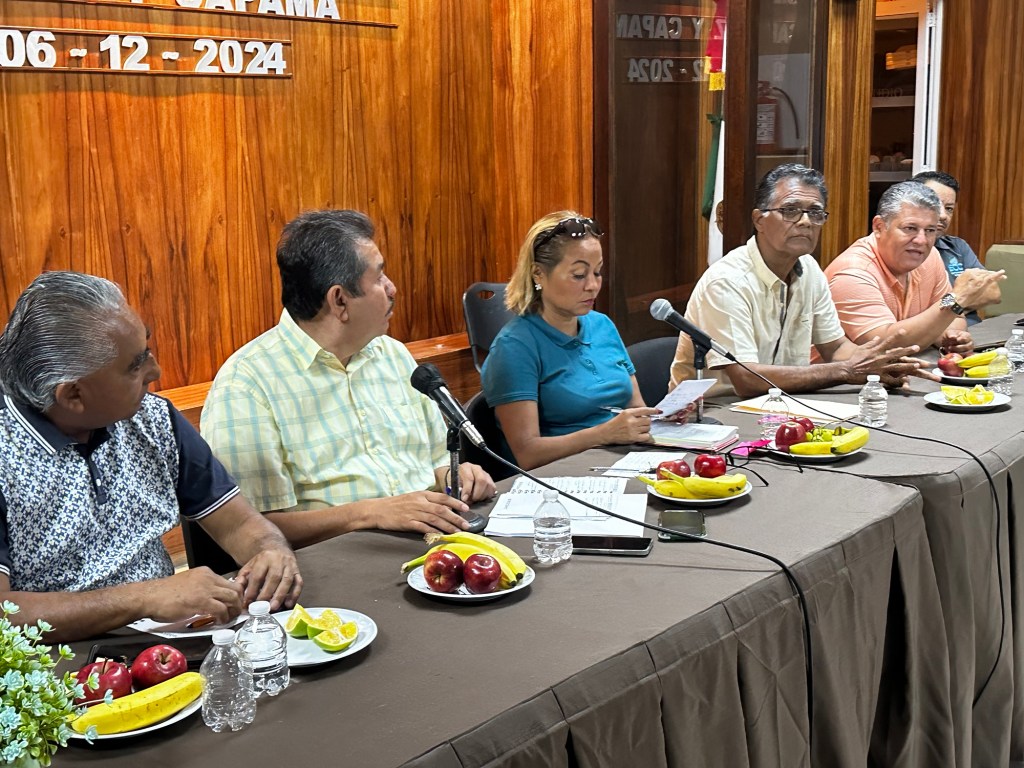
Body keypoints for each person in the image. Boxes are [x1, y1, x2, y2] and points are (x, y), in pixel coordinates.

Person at [0, 272, 301, 642]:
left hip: (169, 641)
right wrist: (144, 598)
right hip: (57, 662)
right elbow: (4, 614)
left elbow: (237, 524)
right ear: (73, 395)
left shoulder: (152, 418)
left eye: (148, 348)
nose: (155, 372)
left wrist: (270, 550)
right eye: (135, 365)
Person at [201, 210, 496, 548]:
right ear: (339, 300)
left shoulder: (392, 355)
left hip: (432, 541)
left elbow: (435, 465)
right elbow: (252, 530)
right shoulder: (246, 385)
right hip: (336, 560)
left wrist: (457, 478)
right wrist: (369, 513)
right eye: (379, 277)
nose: (392, 288)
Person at [669, 164, 926, 398]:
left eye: (815, 213)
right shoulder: (728, 281)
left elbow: (835, 348)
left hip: (780, 402)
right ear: (759, 220)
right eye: (790, 210)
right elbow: (747, 379)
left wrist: (879, 366)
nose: (805, 222)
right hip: (715, 413)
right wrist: (846, 371)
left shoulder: (809, 269)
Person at [481, 211, 659, 470]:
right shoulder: (514, 347)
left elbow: (637, 409)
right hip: (561, 476)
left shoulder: (602, 325)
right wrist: (603, 434)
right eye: (578, 275)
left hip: (624, 461)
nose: (593, 285)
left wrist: (663, 418)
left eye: (597, 272)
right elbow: (528, 454)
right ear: (538, 274)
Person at [825, 181, 1005, 354]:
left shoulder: (930, 256)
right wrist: (956, 299)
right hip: (844, 375)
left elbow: (953, 316)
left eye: (930, 230)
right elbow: (884, 346)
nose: (921, 240)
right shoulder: (852, 273)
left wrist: (951, 337)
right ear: (879, 227)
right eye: (910, 228)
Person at [912, 170, 986, 325]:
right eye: (935, 205)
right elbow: (914, 312)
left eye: (949, 208)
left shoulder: (957, 246)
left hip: (972, 330)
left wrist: (948, 305)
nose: (943, 215)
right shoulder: (905, 251)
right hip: (929, 334)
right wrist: (961, 296)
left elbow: (991, 293)